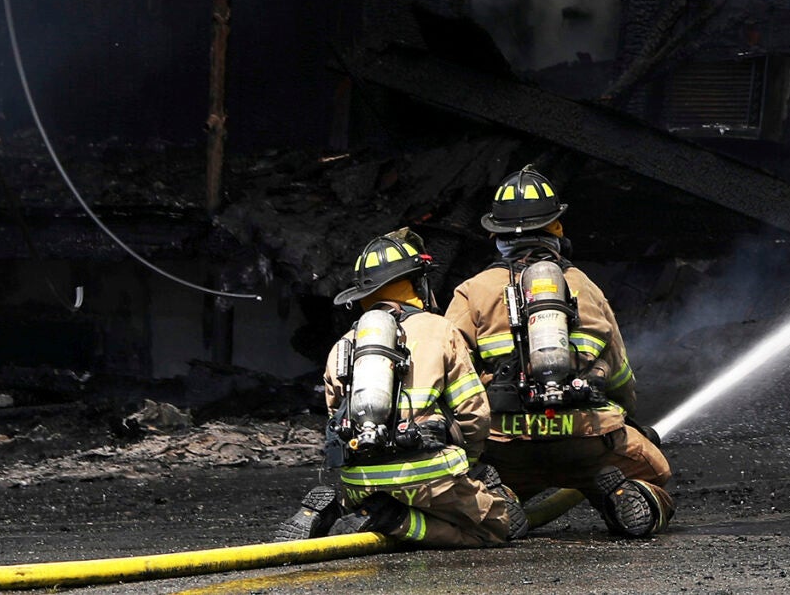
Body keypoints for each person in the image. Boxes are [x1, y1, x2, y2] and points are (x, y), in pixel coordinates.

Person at [445, 165, 674, 538]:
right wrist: (626, 422)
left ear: (496, 234)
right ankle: (626, 493)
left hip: (505, 448)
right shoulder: (583, 285)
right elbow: (619, 374)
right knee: (655, 472)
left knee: (471, 488)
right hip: (587, 442)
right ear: (556, 228)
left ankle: (499, 499)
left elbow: (449, 375)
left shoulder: (472, 291)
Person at [288, 229, 523, 548]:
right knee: (492, 528)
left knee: (388, 502)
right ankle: (393, 519)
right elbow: (473, 415)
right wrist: (465, 462)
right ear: (417, 284)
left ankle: (343, 510)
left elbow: (334, 418)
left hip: (360, 481)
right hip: (428, 474)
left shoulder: (344, 345)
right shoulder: (439, 330)